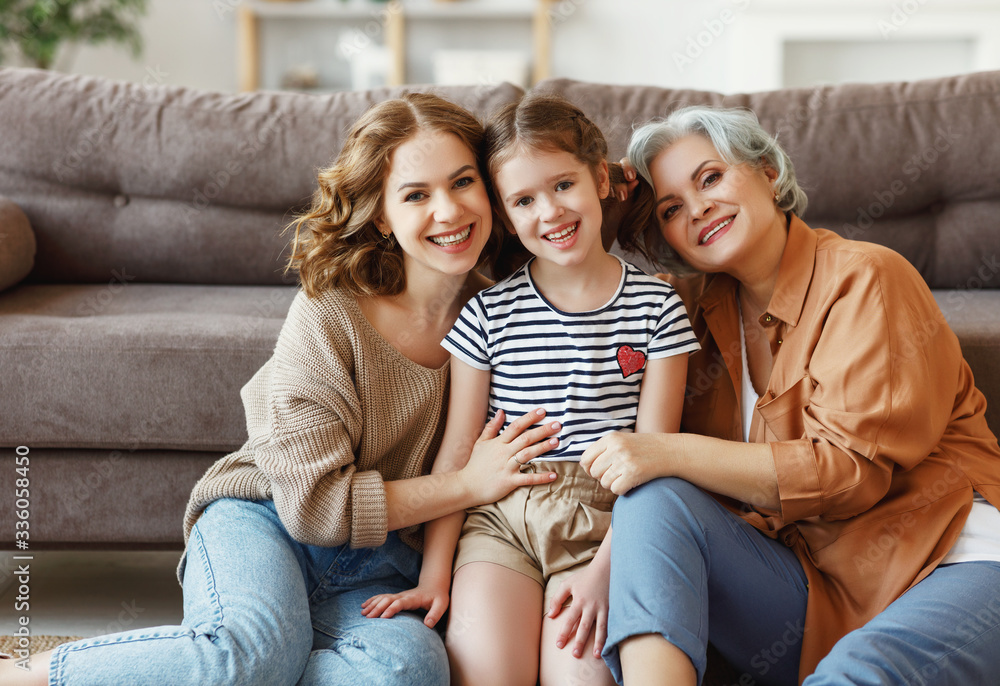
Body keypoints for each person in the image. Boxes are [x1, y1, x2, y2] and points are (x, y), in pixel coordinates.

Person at [0, 93, 564, 686]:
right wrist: (466, 484)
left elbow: (572, 219)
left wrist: (623, 189)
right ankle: (27, 674)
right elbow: (315, 506)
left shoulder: (508, 314)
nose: (448, 211)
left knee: (409, 669)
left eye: (463, 181)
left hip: (384, 566)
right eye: (416, 194)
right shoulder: (331, 313)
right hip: (265, 521)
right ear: (381, 215)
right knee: (248, 655)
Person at [582, 105, 1000, 685]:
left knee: (862, 671)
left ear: (768, 173)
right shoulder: (686, 312)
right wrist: (597, 197)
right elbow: (560, 270)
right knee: (653, 502)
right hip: (812, 592)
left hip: (949, 561)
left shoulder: (867, 278)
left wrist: (664, 450)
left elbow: (847, 473)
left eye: (710, 178)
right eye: (672, 209)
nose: (697, 208)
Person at [362, 92, 700, 686]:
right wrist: (433, 574)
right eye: (523, 200)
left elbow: (656, 461)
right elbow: (459, 453)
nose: (550, 213)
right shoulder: (487, 314)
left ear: (600, 178)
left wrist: (606, 572)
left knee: (579, 677)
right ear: (505, 214)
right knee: (488, 674)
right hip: (499, 522)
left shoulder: (658, 309)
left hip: (602, 528)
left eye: (563, 185)